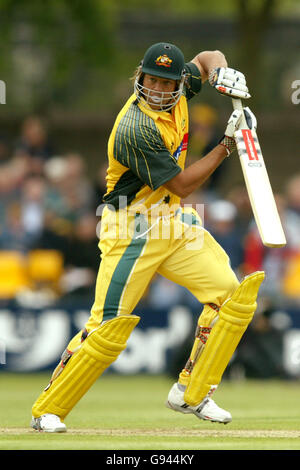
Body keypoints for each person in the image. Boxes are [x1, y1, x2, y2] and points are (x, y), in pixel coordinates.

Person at [31, 42, 264, 432]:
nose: (156, 89)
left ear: (177, 83)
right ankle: (48, 409)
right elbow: (185, 183)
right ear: (139, 78)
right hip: (131, 228)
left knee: (233, 299)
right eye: (149, 80)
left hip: (171, 220)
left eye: (164, 83)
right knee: (107, 328)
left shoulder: (181, 84)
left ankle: (192, 392)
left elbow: (208, 58)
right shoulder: (133, 128)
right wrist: (228, 144)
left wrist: (224, 72)